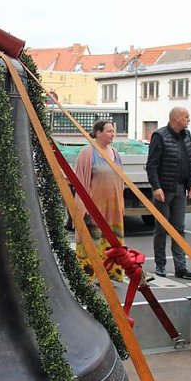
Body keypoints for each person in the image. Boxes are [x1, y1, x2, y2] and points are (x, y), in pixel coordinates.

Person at [146, 107, 191, 279]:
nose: (189, 119)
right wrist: (156, 187)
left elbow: (190, 161)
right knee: (161, 229)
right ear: (176, 118)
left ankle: (180, 267)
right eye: (186, 116)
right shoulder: (159, 136)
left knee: (179, 229)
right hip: (164, 190)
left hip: (180, 189)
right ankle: (160, 265)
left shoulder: (187, 135)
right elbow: (151, 165)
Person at [73, 120, 126, 282]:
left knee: (112, 239)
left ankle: (111, 272)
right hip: (94, 207)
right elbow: (80, 182)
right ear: (98, 133)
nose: (112, 134)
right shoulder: (87, 154)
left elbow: (121, 180)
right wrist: (83, 207)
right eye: (109, 131)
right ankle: (87, 274)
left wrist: (121, 203)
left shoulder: (115, 153)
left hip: (113, 207)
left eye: (113, 131)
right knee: (92, 239)